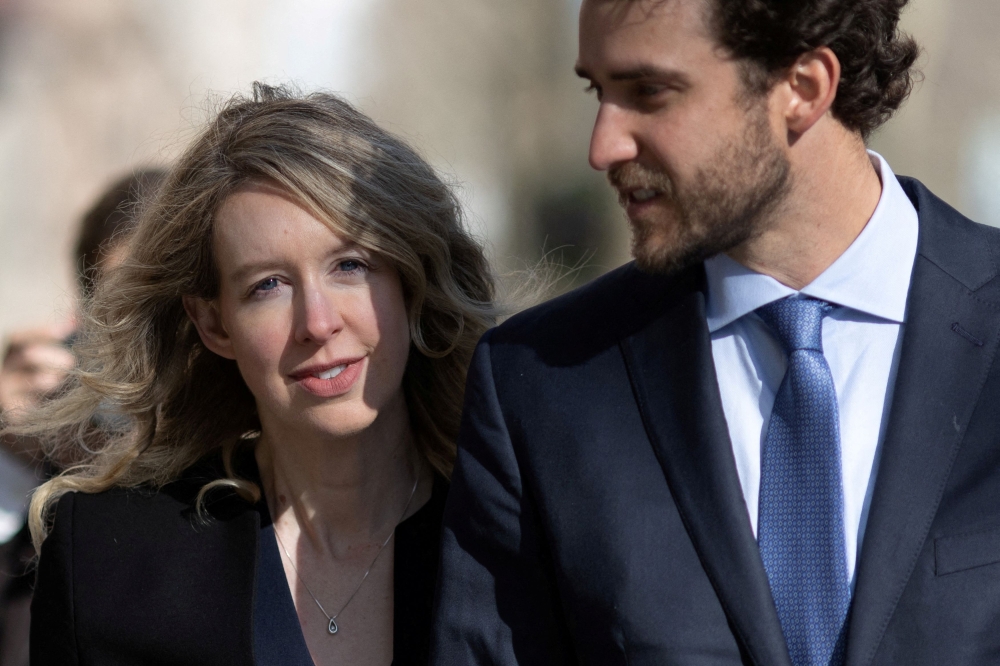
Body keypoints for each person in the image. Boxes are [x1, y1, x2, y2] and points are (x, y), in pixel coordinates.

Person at [432, 0, 1000, 664]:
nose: (603, 145)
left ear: (804, 87)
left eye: (650, 92)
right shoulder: (539, 387)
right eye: (599, 91)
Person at [20, 83, 494, 666]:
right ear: (214, 323)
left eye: (350, 265)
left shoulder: (519, 539)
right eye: (267, 285)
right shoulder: (105, 560)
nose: (318, 324)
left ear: (411, 282)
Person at [0, 168, 165, 666]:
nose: (146, 333)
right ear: (81, 322)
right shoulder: (52, 487)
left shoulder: (266, 462)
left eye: (167, 296)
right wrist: (15, 448)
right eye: (121, 303)